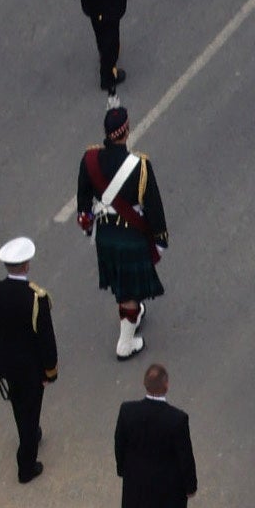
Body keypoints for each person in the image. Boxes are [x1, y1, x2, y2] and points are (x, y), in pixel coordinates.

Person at [74, 98, 167, 358]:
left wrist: (87, 226)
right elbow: (154, 207)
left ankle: (132, 316)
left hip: (105, 235)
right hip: (131, 236)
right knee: (128, 290)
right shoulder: (140, 166)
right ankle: (125, 344)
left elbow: (82, 204)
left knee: (124, 284)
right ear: (126, 131)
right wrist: (160, 238)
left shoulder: (90, 159)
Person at [114, 357, 197, 508]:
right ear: (166, 385)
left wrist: (123, 470)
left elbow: (119, 444)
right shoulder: (176, 420)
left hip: (138, 482)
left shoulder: (127, 411)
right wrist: (190, 486)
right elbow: (185, 457)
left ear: (144, 384)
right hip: (167, 487)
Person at [0, 238, 57, 480]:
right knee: (30, 411)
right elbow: (46, 340)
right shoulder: (36, 297)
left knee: (19, 405)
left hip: (6, 363)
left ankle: (31, 435)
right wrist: (50, 372)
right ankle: (26, 465)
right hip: (31, 368)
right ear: (26, 266)